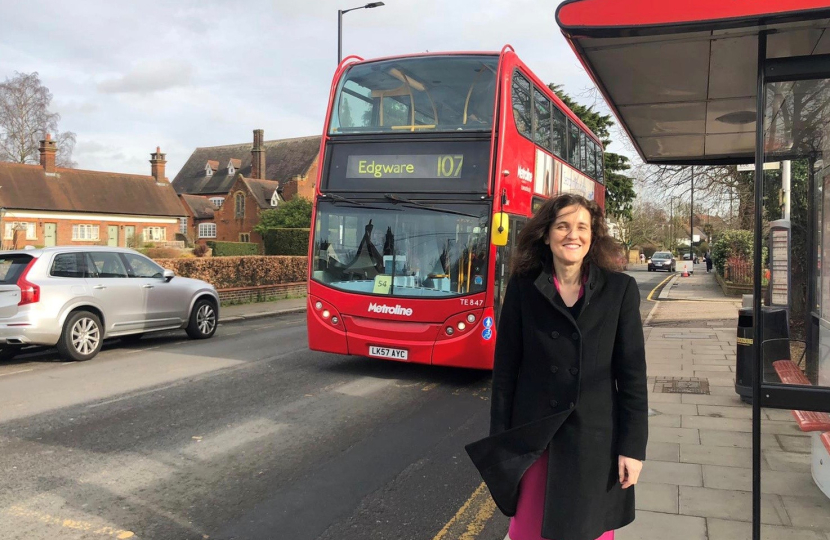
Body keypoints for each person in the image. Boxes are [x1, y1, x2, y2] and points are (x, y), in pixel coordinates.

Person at [466, 194, 648, 540]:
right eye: (562, 226)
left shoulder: (620, 290)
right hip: (535, 440)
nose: (572, 235)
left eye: (582, 227)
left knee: (586, 530)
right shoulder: (522, 287)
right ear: (546, 235)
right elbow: (505, 373)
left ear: (593, 236)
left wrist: (633, 449)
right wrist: (500, 443)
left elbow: (633, 378)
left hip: (594, 443)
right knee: (530, 530)